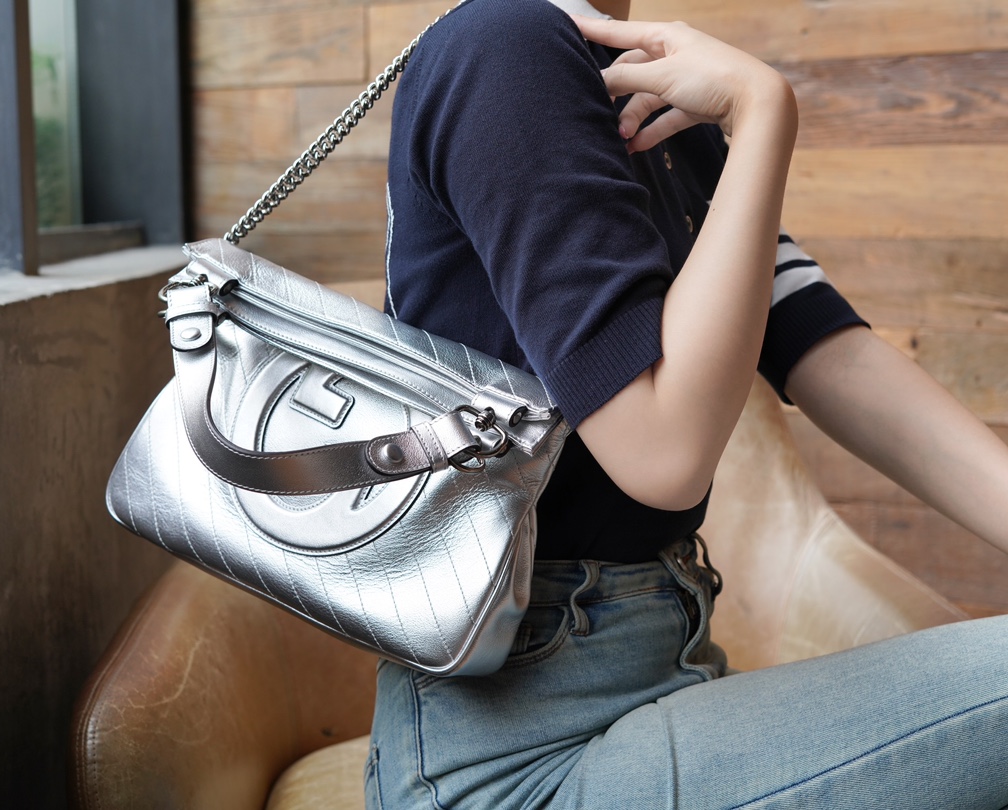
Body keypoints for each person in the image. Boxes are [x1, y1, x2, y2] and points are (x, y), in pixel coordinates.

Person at [367, 0, 1008, 807]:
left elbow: (828, 352)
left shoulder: (643, 84)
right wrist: (764, 110)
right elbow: (662, 453)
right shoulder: (507, 49)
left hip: (665, 682)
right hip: (518, 757)